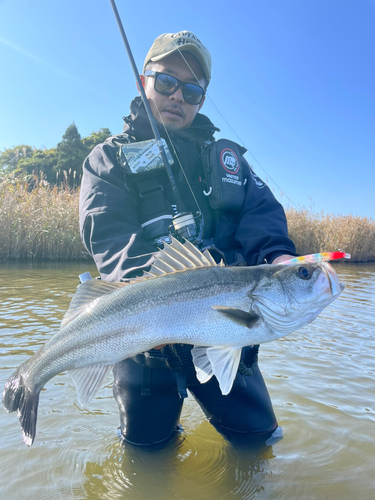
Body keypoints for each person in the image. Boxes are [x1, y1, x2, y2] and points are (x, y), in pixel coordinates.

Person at [79, 31, 297, 446]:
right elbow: (110, 239)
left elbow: (262, 217)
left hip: (228, 331)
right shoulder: (107, 159)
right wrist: (164, 304)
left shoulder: (229, 161)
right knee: (146, 456)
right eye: (166, 82)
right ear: (144, 81)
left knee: (259, 443)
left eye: (192, 90)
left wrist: (280, 259)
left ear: (201, 100)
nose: (177, 96)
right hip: (143, 340)